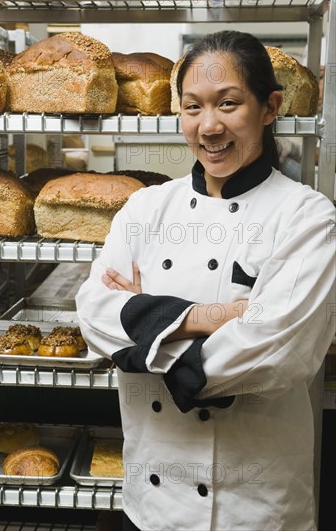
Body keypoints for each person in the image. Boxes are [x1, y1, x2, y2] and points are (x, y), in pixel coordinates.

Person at [76, 31, 335, 531]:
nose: (209, 126)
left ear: (270, 107)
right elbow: (93, 314)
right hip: (151, 504)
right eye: (192, 107)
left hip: (255, 508)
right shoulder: (145, 206)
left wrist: (144, 333)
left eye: (229, 103)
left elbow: (274, 353)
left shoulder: (307, 217)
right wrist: (206, 318)